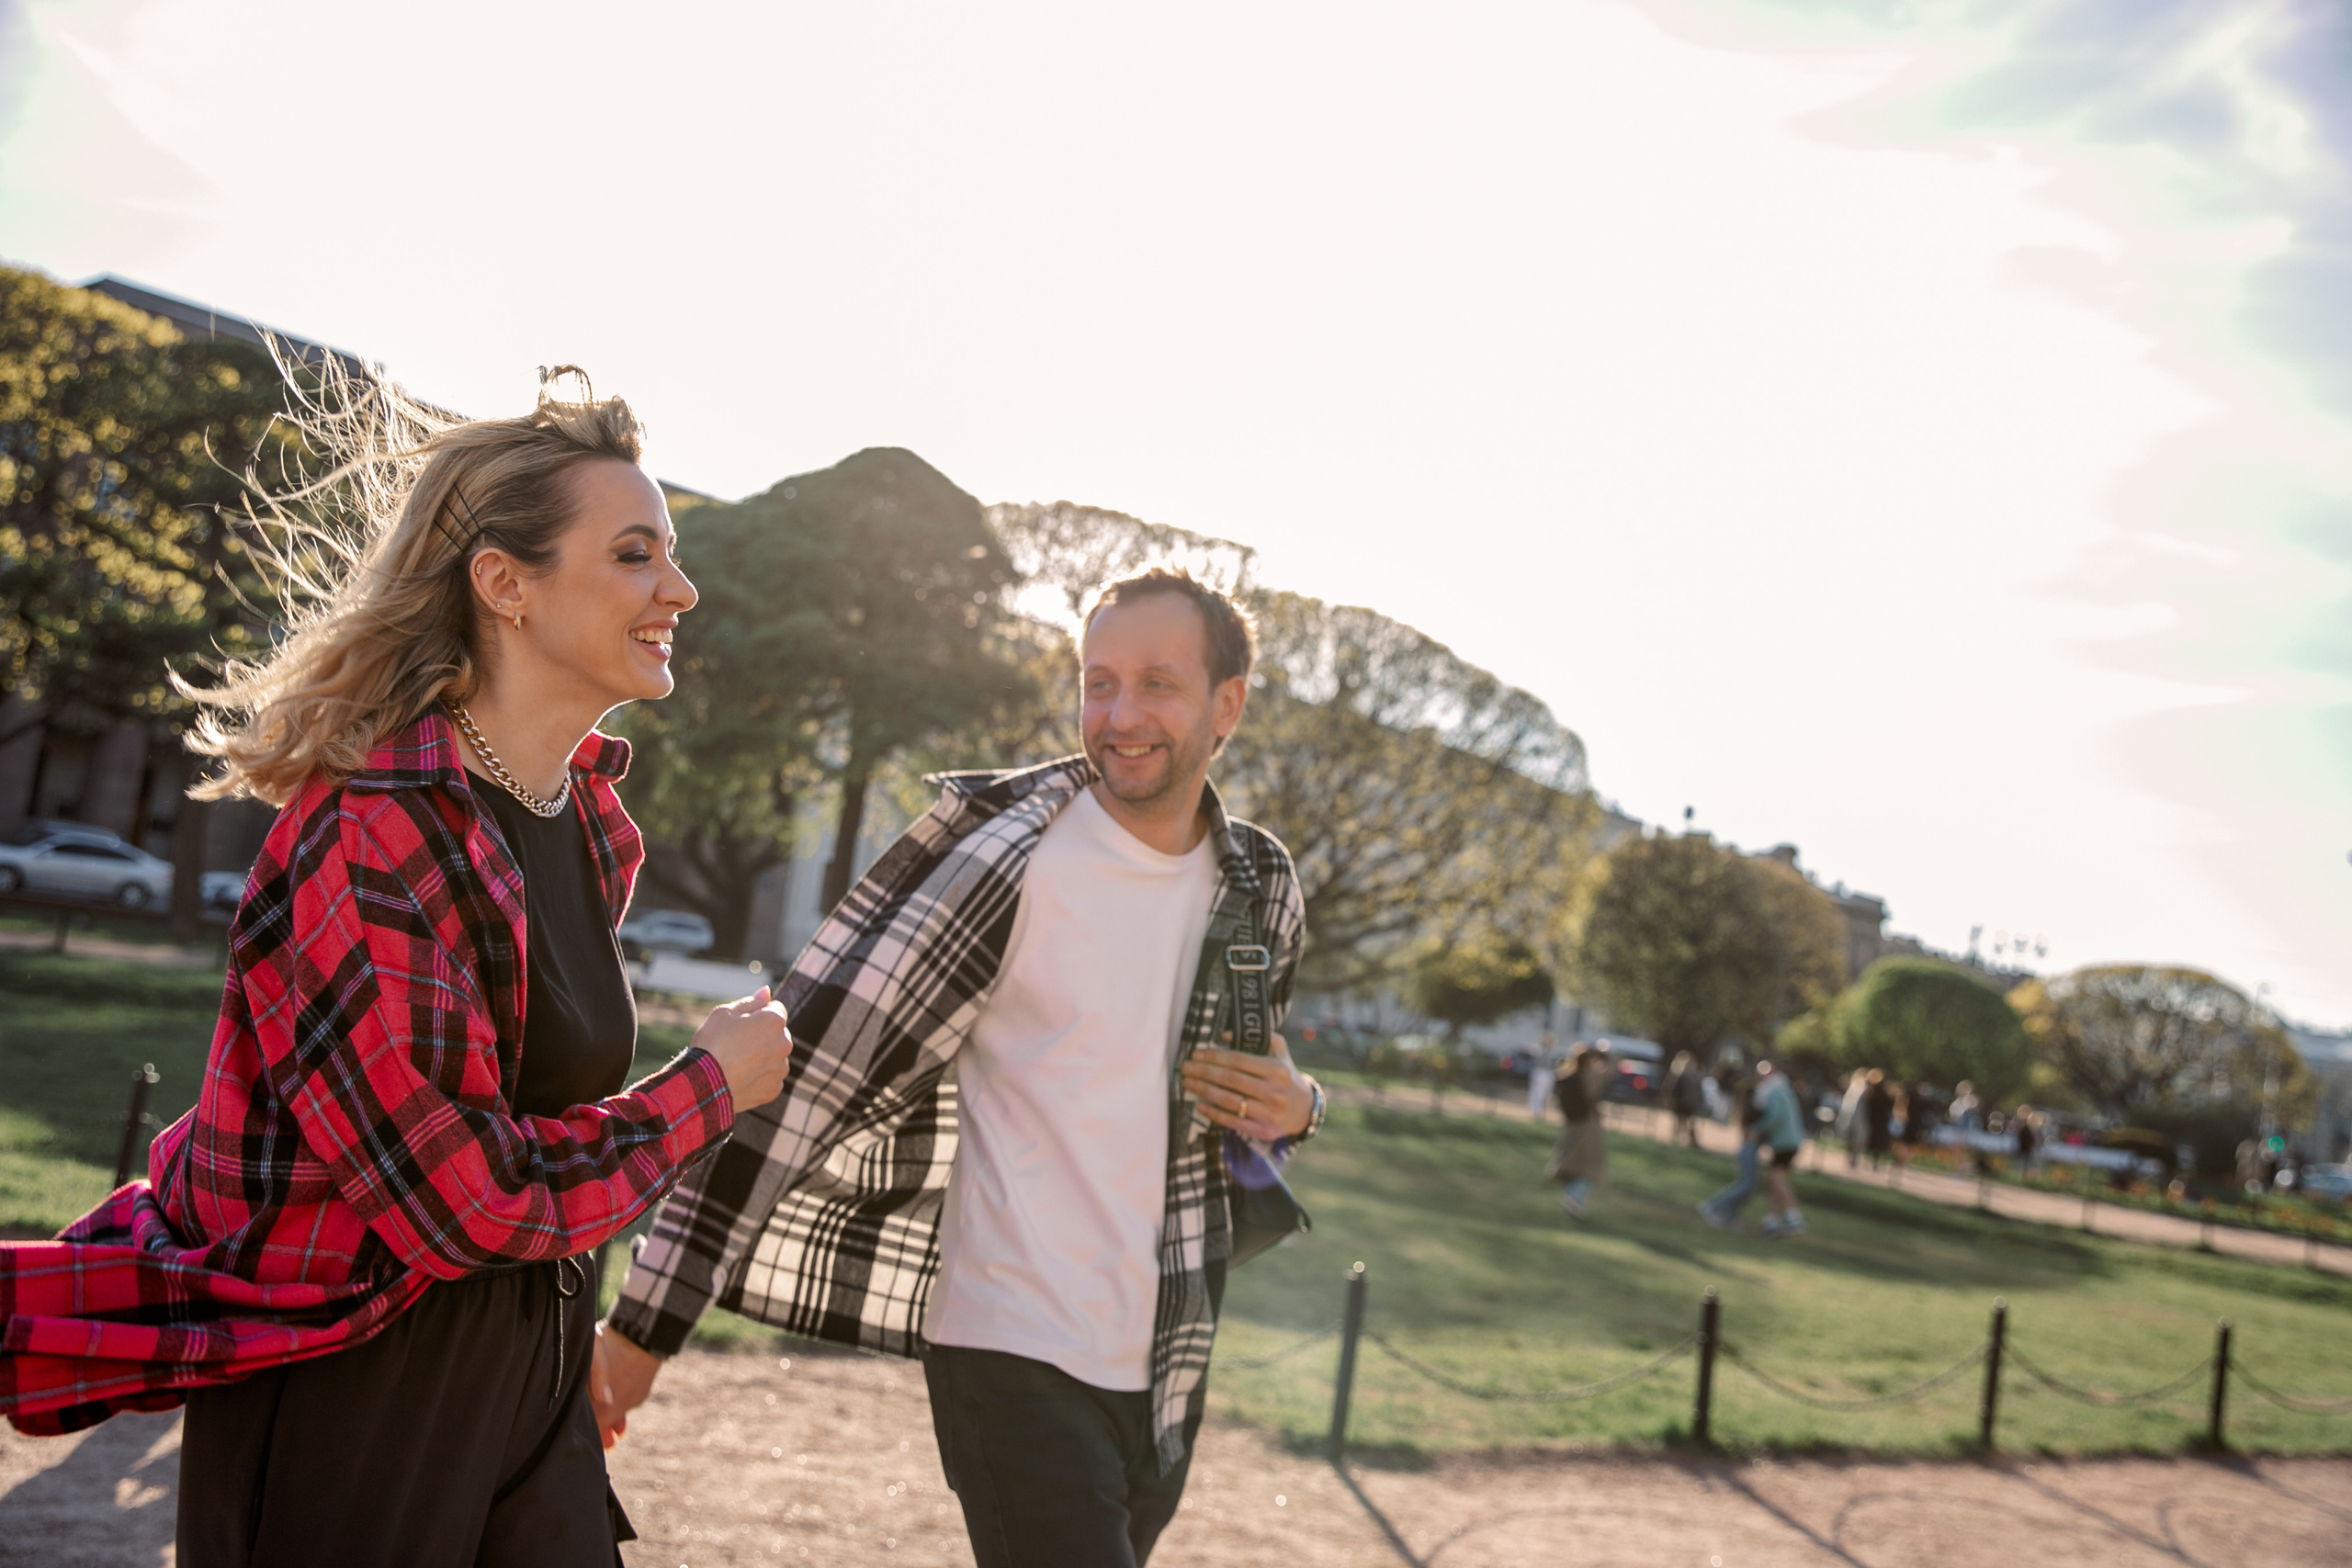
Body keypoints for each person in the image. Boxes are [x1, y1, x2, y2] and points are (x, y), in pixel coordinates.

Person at [0, 367, 795, 1566]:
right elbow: (464, 1199)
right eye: (636, 553)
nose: (679, 588)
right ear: (505, 583)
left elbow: (536, 1132)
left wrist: (550, 1340)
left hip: (525, 1372)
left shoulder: (583, 822)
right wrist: (707, 1089)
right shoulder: (372, 831)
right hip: (352, 1398)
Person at [592, 569, 1318, 1568]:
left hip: (1167, 1355)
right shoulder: (1003, 857)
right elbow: (803, 1072)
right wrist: (643, 1328)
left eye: (1157, 683)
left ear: (1225, 705)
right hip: (1005, 1338)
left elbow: (1249, 1106)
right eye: (1097, 681)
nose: (1119, 714)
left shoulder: (1261, 884)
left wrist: (1298, 1107)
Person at [1701, 1061, 1806, 1234]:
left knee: (1773, 1180)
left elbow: (1774, 1117)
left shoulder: (1773, 1091)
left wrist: (1757, 1129)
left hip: (1784, 1143)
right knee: (1769, 1181)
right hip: (1784, 1142)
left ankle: (1791, 1217)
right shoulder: (1781, 1090)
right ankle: (1772, 1220)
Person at [1548, 1043, 1611, 1217]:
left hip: (1571, 1125)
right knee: (1590, 1169)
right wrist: (1606, 1052)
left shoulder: (1567, 1074)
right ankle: (1573, 1198)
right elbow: (1610, 1070)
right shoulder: (1589, 1076)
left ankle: (1572, 1198)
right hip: (1587, 1126)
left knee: (1571, 1165)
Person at [1662, 1050, 1706, 1147]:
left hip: (1687, 1102)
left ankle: (1685, 1139)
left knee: (1686, 1121)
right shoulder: (1682, 1075)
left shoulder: (1689, 1076)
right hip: (1682, 1102)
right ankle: (1677, 1138)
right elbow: (1673, 1089)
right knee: (1680, 1121)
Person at [1836, 1066, 1871, 1169]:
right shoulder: (1860, 1087)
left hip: (1851, 1116)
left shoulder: (1853, 1086)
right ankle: (1853, 1159)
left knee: (1852, 1140)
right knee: (1857, 1140)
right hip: (1858, 1117)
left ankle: (1850, 1159)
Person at [1862, 1068, 1895, 1169]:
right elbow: (1890, 1105)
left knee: (1871, 1141)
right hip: (1881, 1120)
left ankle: (1868, 1160)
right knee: (1877, 1143)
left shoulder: (1872, 1092)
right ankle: (1874, 1162)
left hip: (1872, 1120)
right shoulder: (1886, 1092)